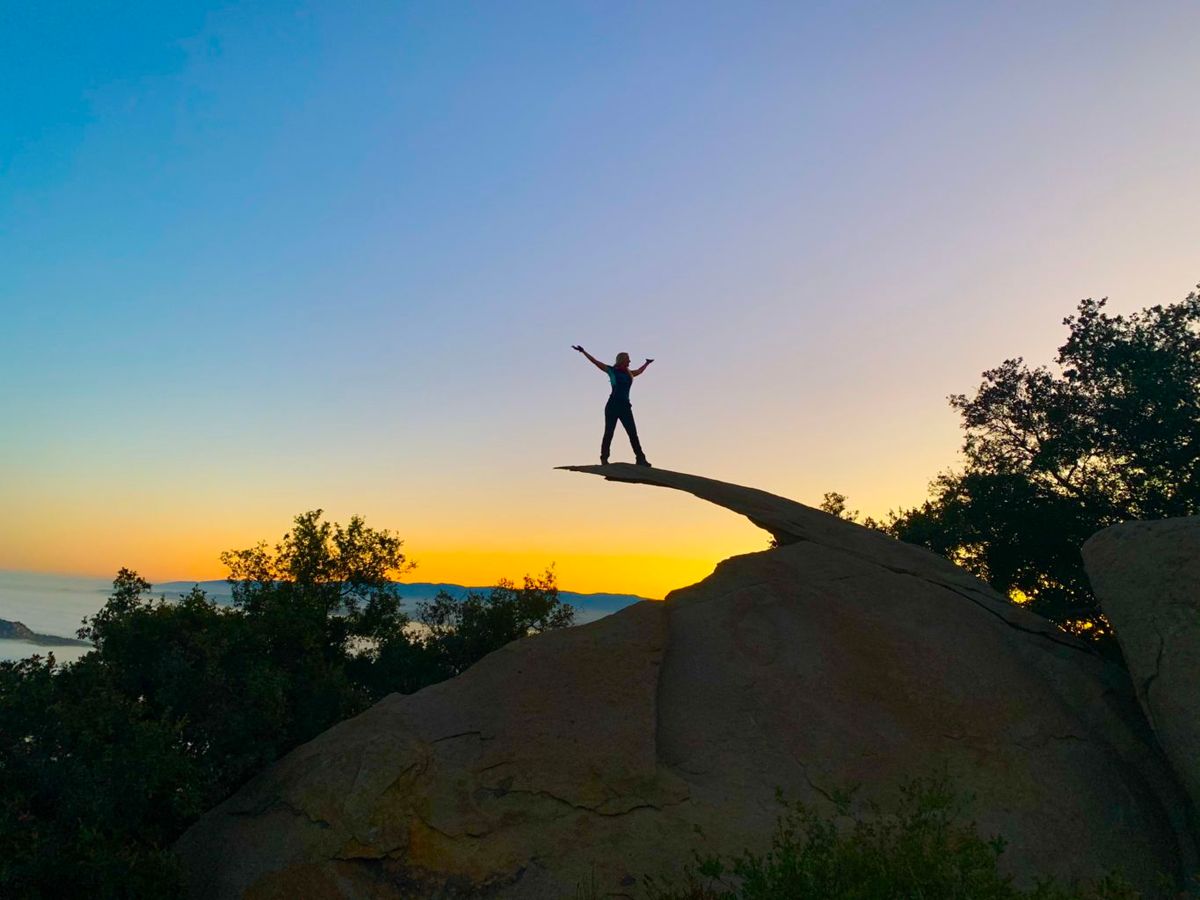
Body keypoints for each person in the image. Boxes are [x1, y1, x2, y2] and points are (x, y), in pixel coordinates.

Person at [571, 345, 653, 466]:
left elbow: (639, 371)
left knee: (632, 433)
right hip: (612, 405)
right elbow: (595, 362)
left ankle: (640, 459)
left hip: (625, 406)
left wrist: (647, 364)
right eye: (628, 359)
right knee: (609, 432)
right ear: (622, 360)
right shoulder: (611, 371)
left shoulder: (630, 374)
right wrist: (583, 352)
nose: (630, 361)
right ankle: (604, 459)